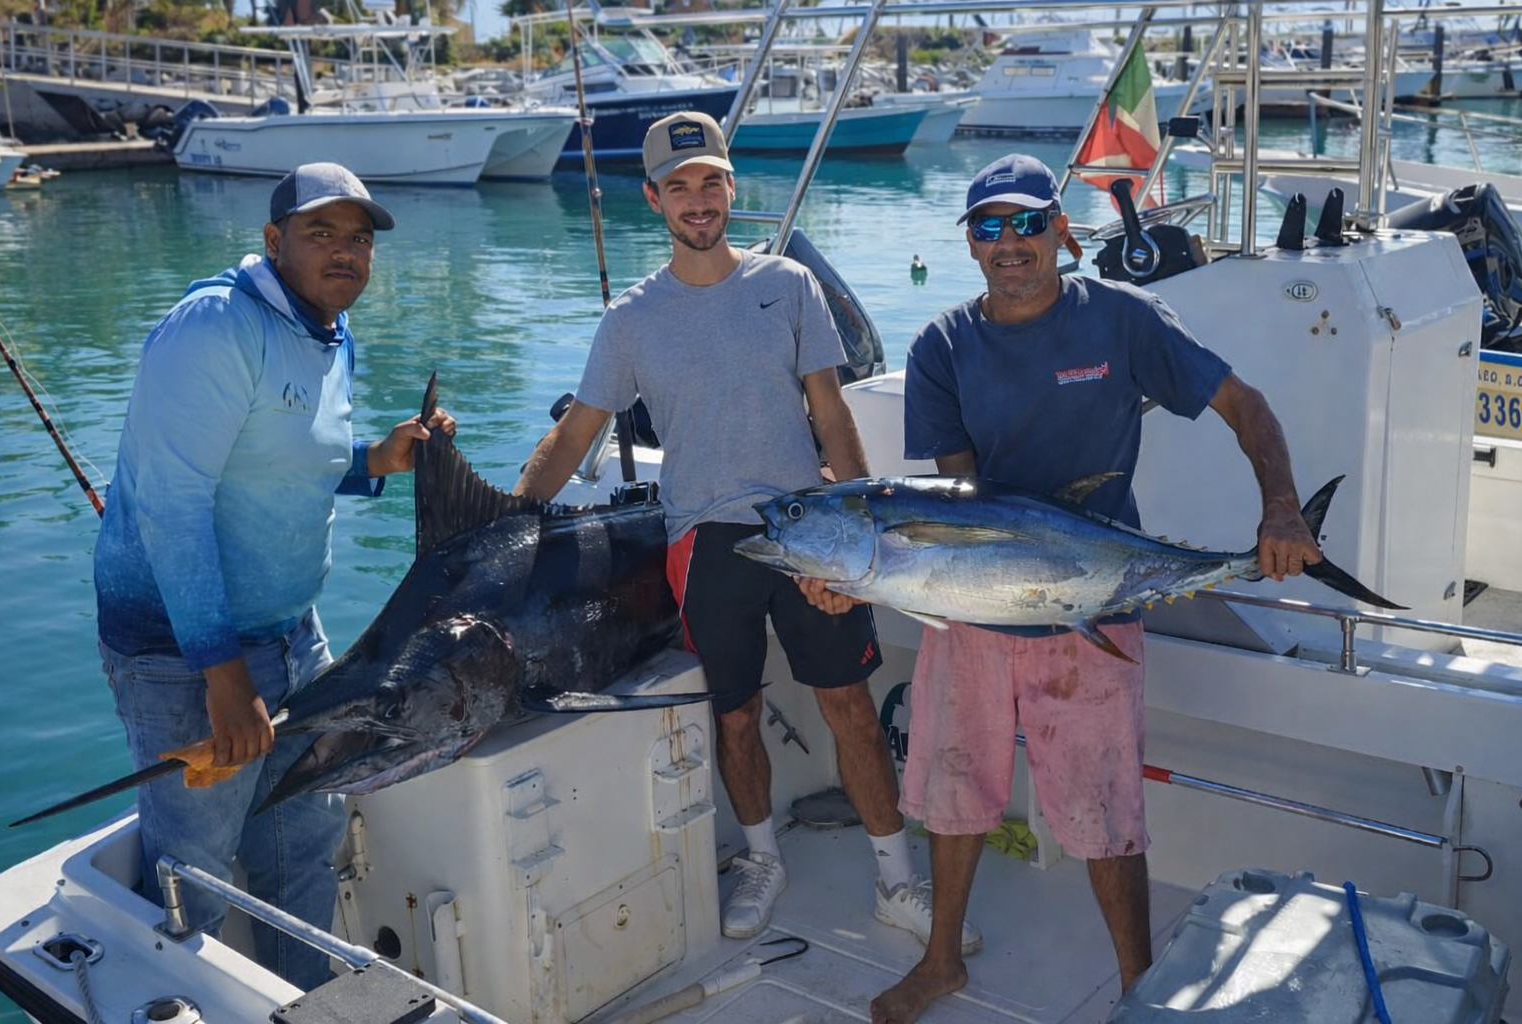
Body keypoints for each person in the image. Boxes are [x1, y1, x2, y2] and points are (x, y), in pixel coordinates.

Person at [865, 154, 1325, 1024]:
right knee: (955, 788)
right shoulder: (941, 346)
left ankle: (1137, 987)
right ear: (969, 242)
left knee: (1108, 808)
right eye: (990, 226)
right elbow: (968, 502)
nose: (1011, 243)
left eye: (1028, 222)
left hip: (1098, 606)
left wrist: (1283, 510)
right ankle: (940, 962)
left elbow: (1246, 405)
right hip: (974, 606)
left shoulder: (1122, 320)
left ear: (1063, 231)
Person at [514, 111, 976, 950]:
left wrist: (856, 532)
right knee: (733, 715)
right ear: (653, 198)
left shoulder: (787, 286)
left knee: (850, 708)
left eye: (711, 181)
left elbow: (834, 417)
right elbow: (576, 434)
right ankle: (761, 859)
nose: (698, 200)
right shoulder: (630, 320)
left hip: (813, 533)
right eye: (679, 186)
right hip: (705, 542)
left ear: (732, 187)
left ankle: (896, 878)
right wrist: (507, 527)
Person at [93, 162, 455, 990]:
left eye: (357, 238)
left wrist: (376, 461)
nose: (344, 253)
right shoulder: (216, 328)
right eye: (320, 232)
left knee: (304, 848)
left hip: (293, 635)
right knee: (196, 874)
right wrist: (222, 675)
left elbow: (287, 460)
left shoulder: (327, 328)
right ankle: (179, 1003)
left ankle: (306, 1001)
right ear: (272, 240)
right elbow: (173, 507)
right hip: (184, 657)